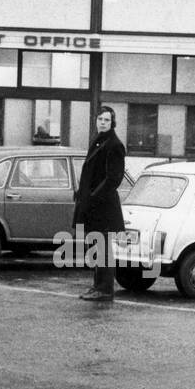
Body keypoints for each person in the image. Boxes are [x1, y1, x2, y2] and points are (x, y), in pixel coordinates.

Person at [73, 106, 126, 303]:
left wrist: (93, 197)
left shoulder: (114, 145)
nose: (102, 122)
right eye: (100, 119)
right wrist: (82, 193)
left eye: (106, 120)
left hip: (103, 206)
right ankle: (98, 286)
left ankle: (104, 289)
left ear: (113, 123)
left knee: (103, 248)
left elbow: (113, 179)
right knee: (97, 246)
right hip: (93, 203)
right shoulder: (98, 141)